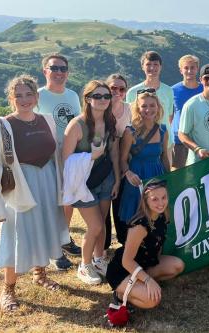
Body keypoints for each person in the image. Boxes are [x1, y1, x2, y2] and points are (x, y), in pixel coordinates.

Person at [0, 75, 69, 312]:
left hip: (47, 183)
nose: (24, 99)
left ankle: (40, 274)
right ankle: (8, 288)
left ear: (36, 96)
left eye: (29, 94)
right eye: (18, 95)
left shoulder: (48, 121)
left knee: (42, 228)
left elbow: (56, 155)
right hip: (19, 188)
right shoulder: (2, 127)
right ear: (11, 98)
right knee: (16, 235)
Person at [62, 80, 120, 285]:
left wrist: (117, 179)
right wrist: (91, 157)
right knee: (95, 226)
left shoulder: (110, 121)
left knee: (102, 224)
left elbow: (114, 152)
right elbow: (65, 160)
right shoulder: (77, 125)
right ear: (87, 99)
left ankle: (98, 259)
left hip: (106, 179)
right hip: (83, 184)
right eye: (97, 96)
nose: (103, 100)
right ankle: (85, 265)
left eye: (106, 96)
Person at [34, 53, 81, 270]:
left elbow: (79, 124)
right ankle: (52, 248)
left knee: (67, 200)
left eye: (63, 69)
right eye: (54, 68)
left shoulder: (72, 96)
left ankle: (64, 238)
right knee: (51, 202)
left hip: (70, 155)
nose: (59, 72)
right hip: (46, 157)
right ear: (45, 71)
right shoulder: (37, 96)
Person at [106, 180, 184, 309]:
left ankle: (140, 284)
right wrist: (148, 280)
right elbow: (127, 261)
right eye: (155, 199)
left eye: (163, 197)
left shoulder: (162, 215)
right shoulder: (139, 226)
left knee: (177, 266)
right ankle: (119, 294)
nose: (160, 203)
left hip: (144, 264)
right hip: (122, 270)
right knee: (152, 300)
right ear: (146, 201)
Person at [118, 91, 169, 243]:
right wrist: (127, 173)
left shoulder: (163, 130)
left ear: (158, 107)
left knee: (156, 212)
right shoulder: (130, 132)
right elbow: (122, 159)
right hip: (137, 178)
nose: (148, 109)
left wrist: (169, 178)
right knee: (136, 215)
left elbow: (164, 156)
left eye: (152, 105)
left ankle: (153, 245)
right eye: (144, 106)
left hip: (156, 175)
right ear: (138, 109)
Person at [125, 51, 174, 168]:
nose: (152, 68)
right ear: (142, 67)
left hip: (165, 142)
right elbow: (130, 118)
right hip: (141, 144)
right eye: (148, 64)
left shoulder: (168, 91)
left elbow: (169, 116)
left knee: (166, 178)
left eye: (156, 64)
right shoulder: (133, 92)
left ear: (161, 67)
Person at [104, 74, 132, 252]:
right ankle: (104, 244)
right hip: (103, 164)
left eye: (121, 89)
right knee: (104, 205)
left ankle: (124, 240)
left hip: (124, 162)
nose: (117, 92)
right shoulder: (100, 109)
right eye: (113, 88)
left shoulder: (130, 109)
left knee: (122, 203)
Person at [171, 55, 203, 170]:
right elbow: (169, 116)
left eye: (192, 67)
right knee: (178, 175)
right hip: (179, 141)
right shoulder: (173, 90)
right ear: (181, 70)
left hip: (200, 140)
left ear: (197, 69)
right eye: (186, 68)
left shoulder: (204, 89)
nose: (189, 71)